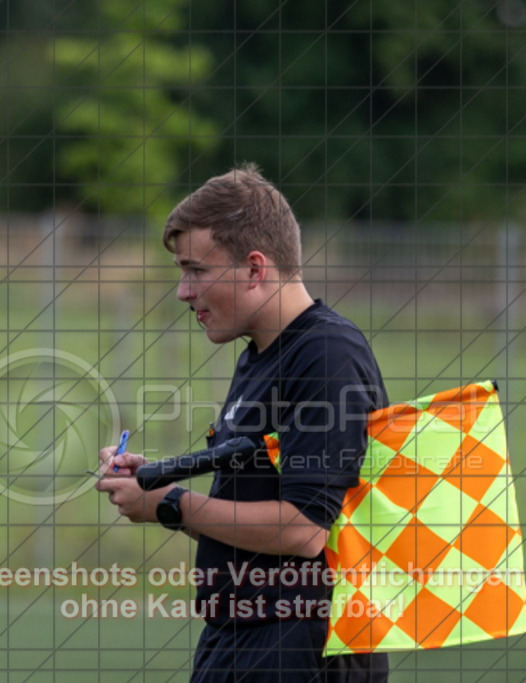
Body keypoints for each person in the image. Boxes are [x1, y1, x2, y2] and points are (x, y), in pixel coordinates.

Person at [96, 164, 390, 682]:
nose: (183, 291)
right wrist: (158, 490)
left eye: (195, 270)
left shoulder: (326, 352)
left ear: (255, 269)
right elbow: (248, 520)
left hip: (299, 649)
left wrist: (170, 503)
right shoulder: (260, 354)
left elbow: (303, 529)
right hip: (240, 639)